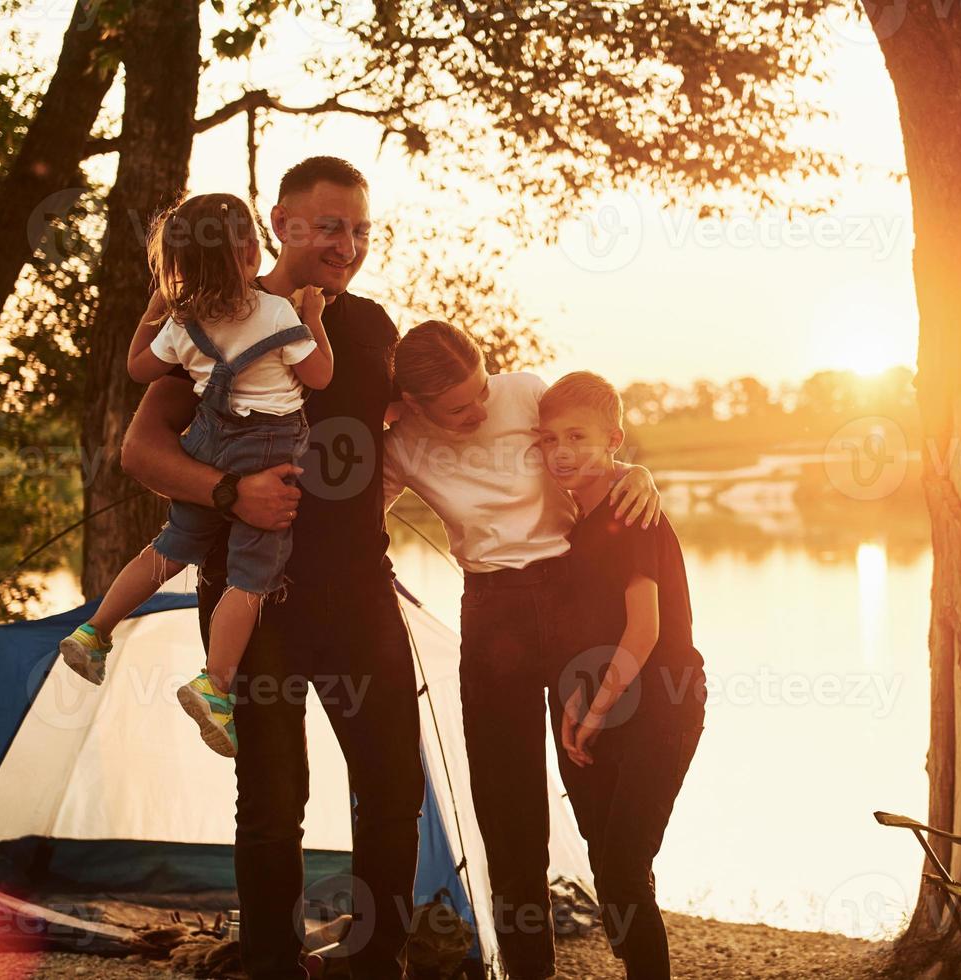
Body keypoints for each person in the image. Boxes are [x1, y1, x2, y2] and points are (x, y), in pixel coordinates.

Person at [122, 157, 425, 979]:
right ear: (282, 221)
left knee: (395, 791)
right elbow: (141, 449)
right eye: (329, 226)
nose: (347, 245)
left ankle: (376, 965)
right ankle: (270, 966)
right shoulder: (215, 316)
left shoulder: (367, 326)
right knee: (269, 804)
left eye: (361, 230)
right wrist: (229, 490)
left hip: (360, 592)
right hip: (256, 595)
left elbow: (456, 412)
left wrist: (620, 467)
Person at [382, 321, 662, 980]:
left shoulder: (527, 393)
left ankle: (644, 962)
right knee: (508, 817)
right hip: (491, 614)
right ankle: (528, 970)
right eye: (459, 408)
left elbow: (590, 447)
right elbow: (354, 522)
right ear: (417, 405)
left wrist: (639, 472)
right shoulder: (401, 444)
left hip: (574, 600)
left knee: (601, 797)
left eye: (482, 390)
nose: (481, 409)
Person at [59, 192, 332, 759]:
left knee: (171, 547)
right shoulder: (278, 313)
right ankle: (215, 683)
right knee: (251, 575)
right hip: (267, 450)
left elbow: (138, 367)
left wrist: (158, 304)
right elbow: (320, 375)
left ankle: (95, 630)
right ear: (251, 253)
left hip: (208, 443)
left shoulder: (183, 322)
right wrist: (315, 320)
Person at [536, 372, 706, 980]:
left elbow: (645, 631)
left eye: (576, 436)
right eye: (549, 437)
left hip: (659, 703)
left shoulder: (631, 510)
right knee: (608, 866)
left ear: (614, 438)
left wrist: (597, 710)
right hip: (592, 704)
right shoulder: (566, 516)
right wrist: (574, 706)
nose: (561, 450)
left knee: (626, 867)